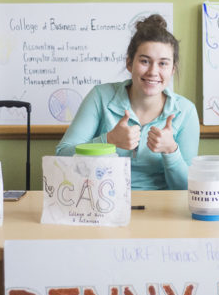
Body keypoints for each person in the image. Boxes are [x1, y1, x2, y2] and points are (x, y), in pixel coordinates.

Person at [56, 14, 200, 190]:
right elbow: (62, 157)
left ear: (172, 70)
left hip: (161, 209)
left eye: (163, 64)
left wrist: (171, 151)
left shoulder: (186, 111)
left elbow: (186, 187)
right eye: (145, 61)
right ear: (129, 63)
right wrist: (108, 141)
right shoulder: (100, 96)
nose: (153, 71)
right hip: (100, 205)